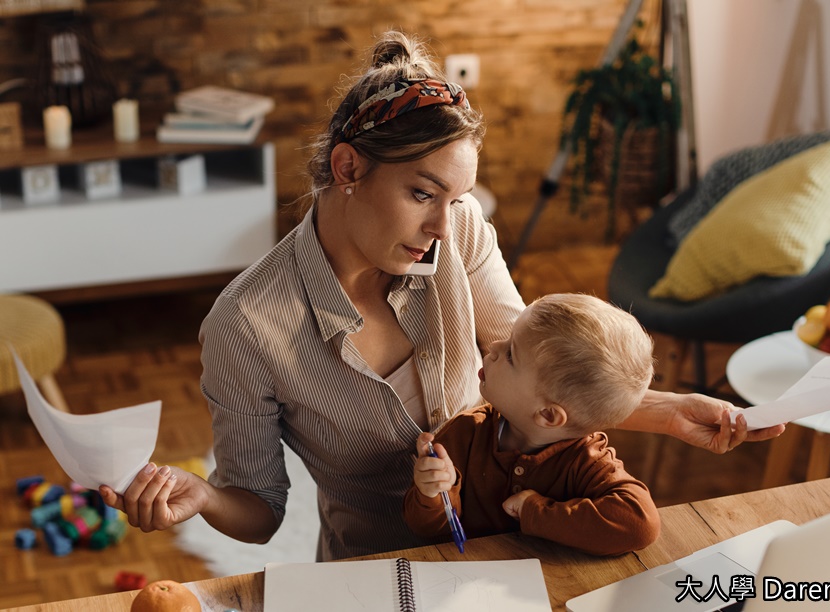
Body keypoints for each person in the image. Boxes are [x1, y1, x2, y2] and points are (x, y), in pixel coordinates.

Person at [98, 31, 784, 562]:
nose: (441, 225)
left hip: (505, 551)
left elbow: (538, 364)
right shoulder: (246, 325)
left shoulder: (458, 231)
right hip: (374, 568)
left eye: (454, 199)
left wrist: (665, 413)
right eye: (423, 193)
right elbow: (262, 511)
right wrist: (206, 498)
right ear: (348, 168)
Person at [404, 293, 660, 556]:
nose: (493, 347)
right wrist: (433, 492)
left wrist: (535, 511)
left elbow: (641, 524)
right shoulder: (464, 433)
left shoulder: (588, 461)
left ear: (548, 415)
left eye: (511, 355)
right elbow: (425, 528)